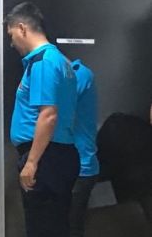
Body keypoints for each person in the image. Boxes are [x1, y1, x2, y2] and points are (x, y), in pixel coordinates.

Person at [5, 2, 80, 237]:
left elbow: (48, 115)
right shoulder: (61, 60)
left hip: (46, 157)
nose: (11, 43)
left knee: (42, 227)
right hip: (58, 154)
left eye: (11, 35)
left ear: (22, 28)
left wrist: (31, 162)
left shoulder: (43, 62)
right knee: (55, 225)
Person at [69, 59, 99, 237]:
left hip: (79, 166)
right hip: (73, 165)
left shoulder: (79, 74)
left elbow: (52, 115)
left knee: (70, 227)